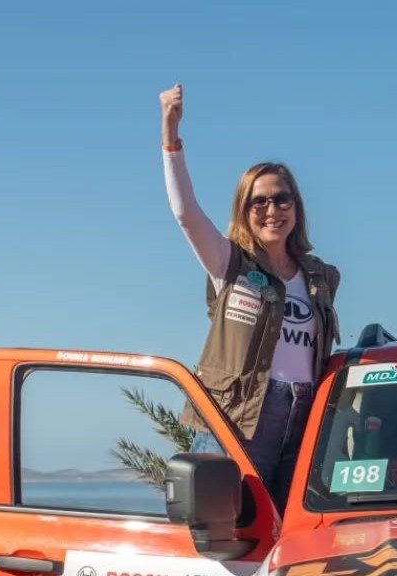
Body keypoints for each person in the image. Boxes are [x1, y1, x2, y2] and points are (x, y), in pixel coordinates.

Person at [159, 83, 342, 511]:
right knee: (229, 527)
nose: (271, 210)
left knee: (291, 527)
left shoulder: (320, 277)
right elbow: (186, 214)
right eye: (258, 202)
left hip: (304, 419)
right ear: (244, 210)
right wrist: (170, 136)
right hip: (240, 420)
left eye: (282, 199)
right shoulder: (229, 264)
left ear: (296, 207)